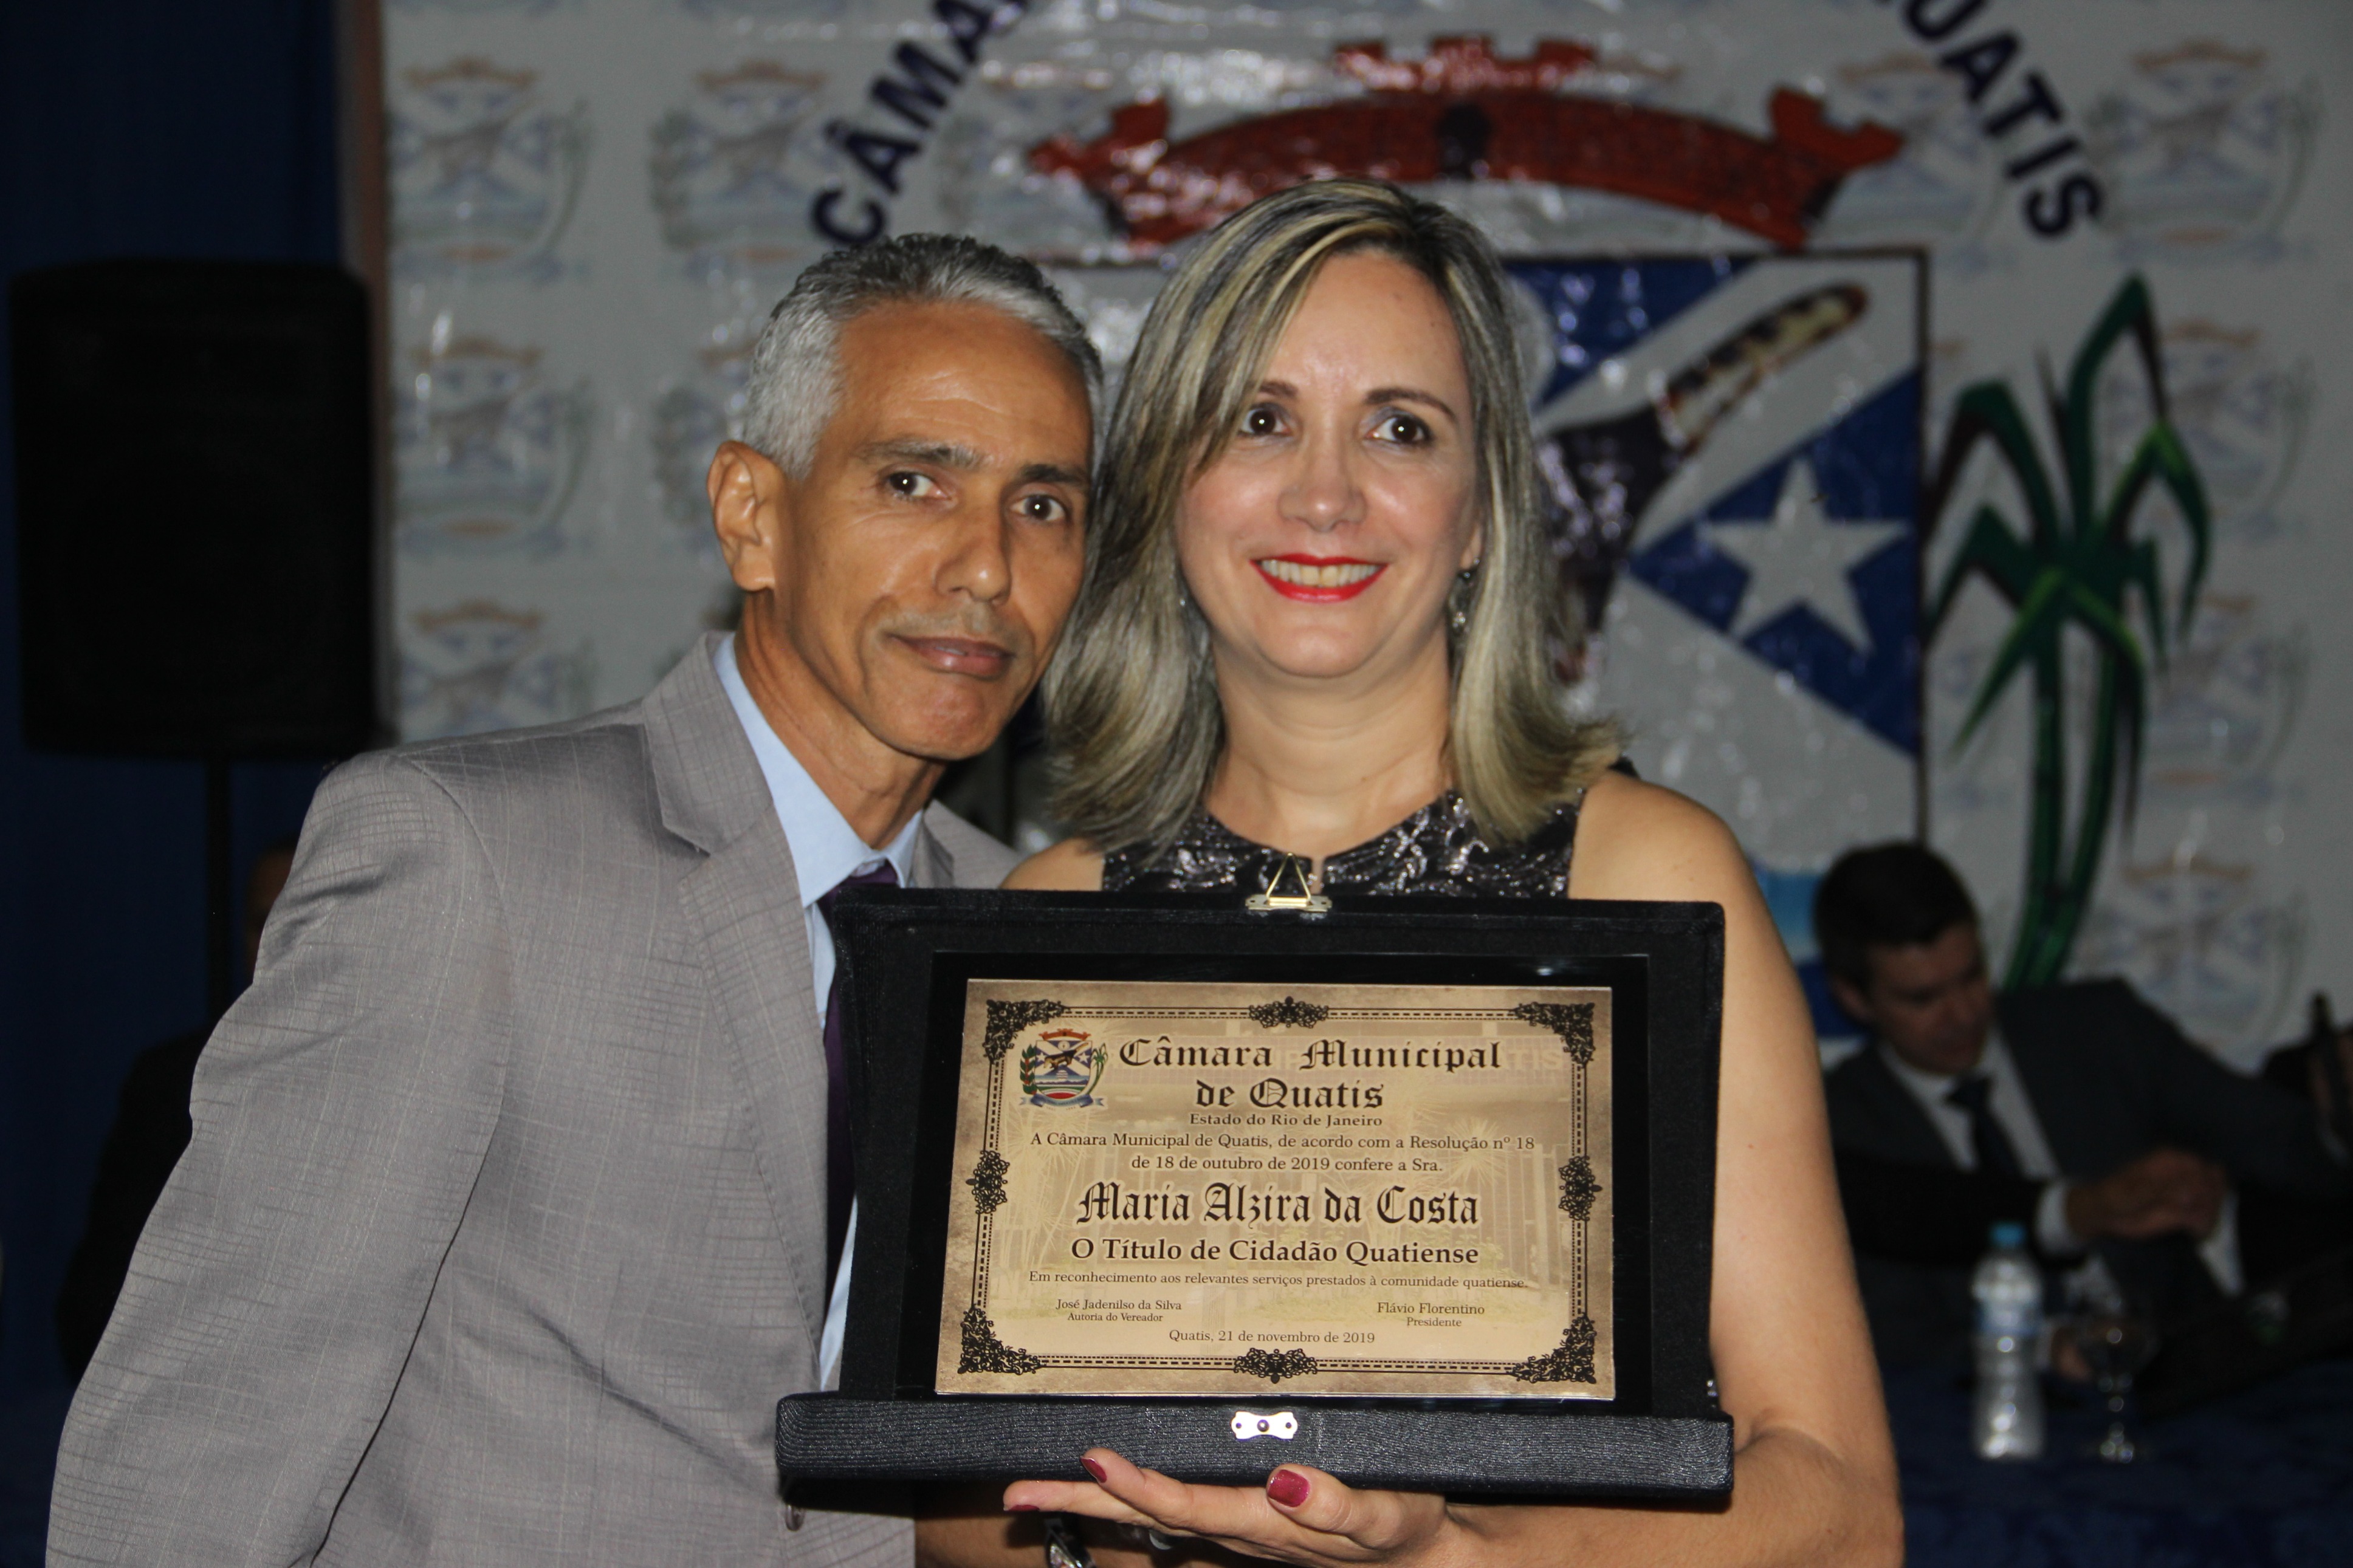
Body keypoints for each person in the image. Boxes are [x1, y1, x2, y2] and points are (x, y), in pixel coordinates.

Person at [49, 235, 1097, 1564]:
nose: (988, 567)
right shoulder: (466, 858)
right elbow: (207, 1435)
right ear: (751, 515)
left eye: (1043, 506)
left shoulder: (1023, 940)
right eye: (912, 482)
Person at [951, 180, 1901, 1567]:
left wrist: (1454, 1559)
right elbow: (951, 1500)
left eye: (1400, 427)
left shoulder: (1645, 878)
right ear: (1163, 487)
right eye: (1260, 419)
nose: (1324, 493)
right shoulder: (1054, 924)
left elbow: (1842, 1508)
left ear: (1481, 515)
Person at [1815, 841, 2352, 1366]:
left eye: (1972, 976)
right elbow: (1888, 1334)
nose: (1962, 1013)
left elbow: (2275, 1139)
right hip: (1988, 1402)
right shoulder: (1836, 1125)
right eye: (1923, 998)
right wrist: (2043, 1349)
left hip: (2187, 1368)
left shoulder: (2099, 1028)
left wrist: (2337, 1114)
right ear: (1853, 998)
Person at [53, 838, 297, 1378]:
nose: (276, 942)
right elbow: (93, 1302)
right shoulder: (171, 1083)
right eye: (262, 922)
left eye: (296, 918)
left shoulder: (399, 1080)